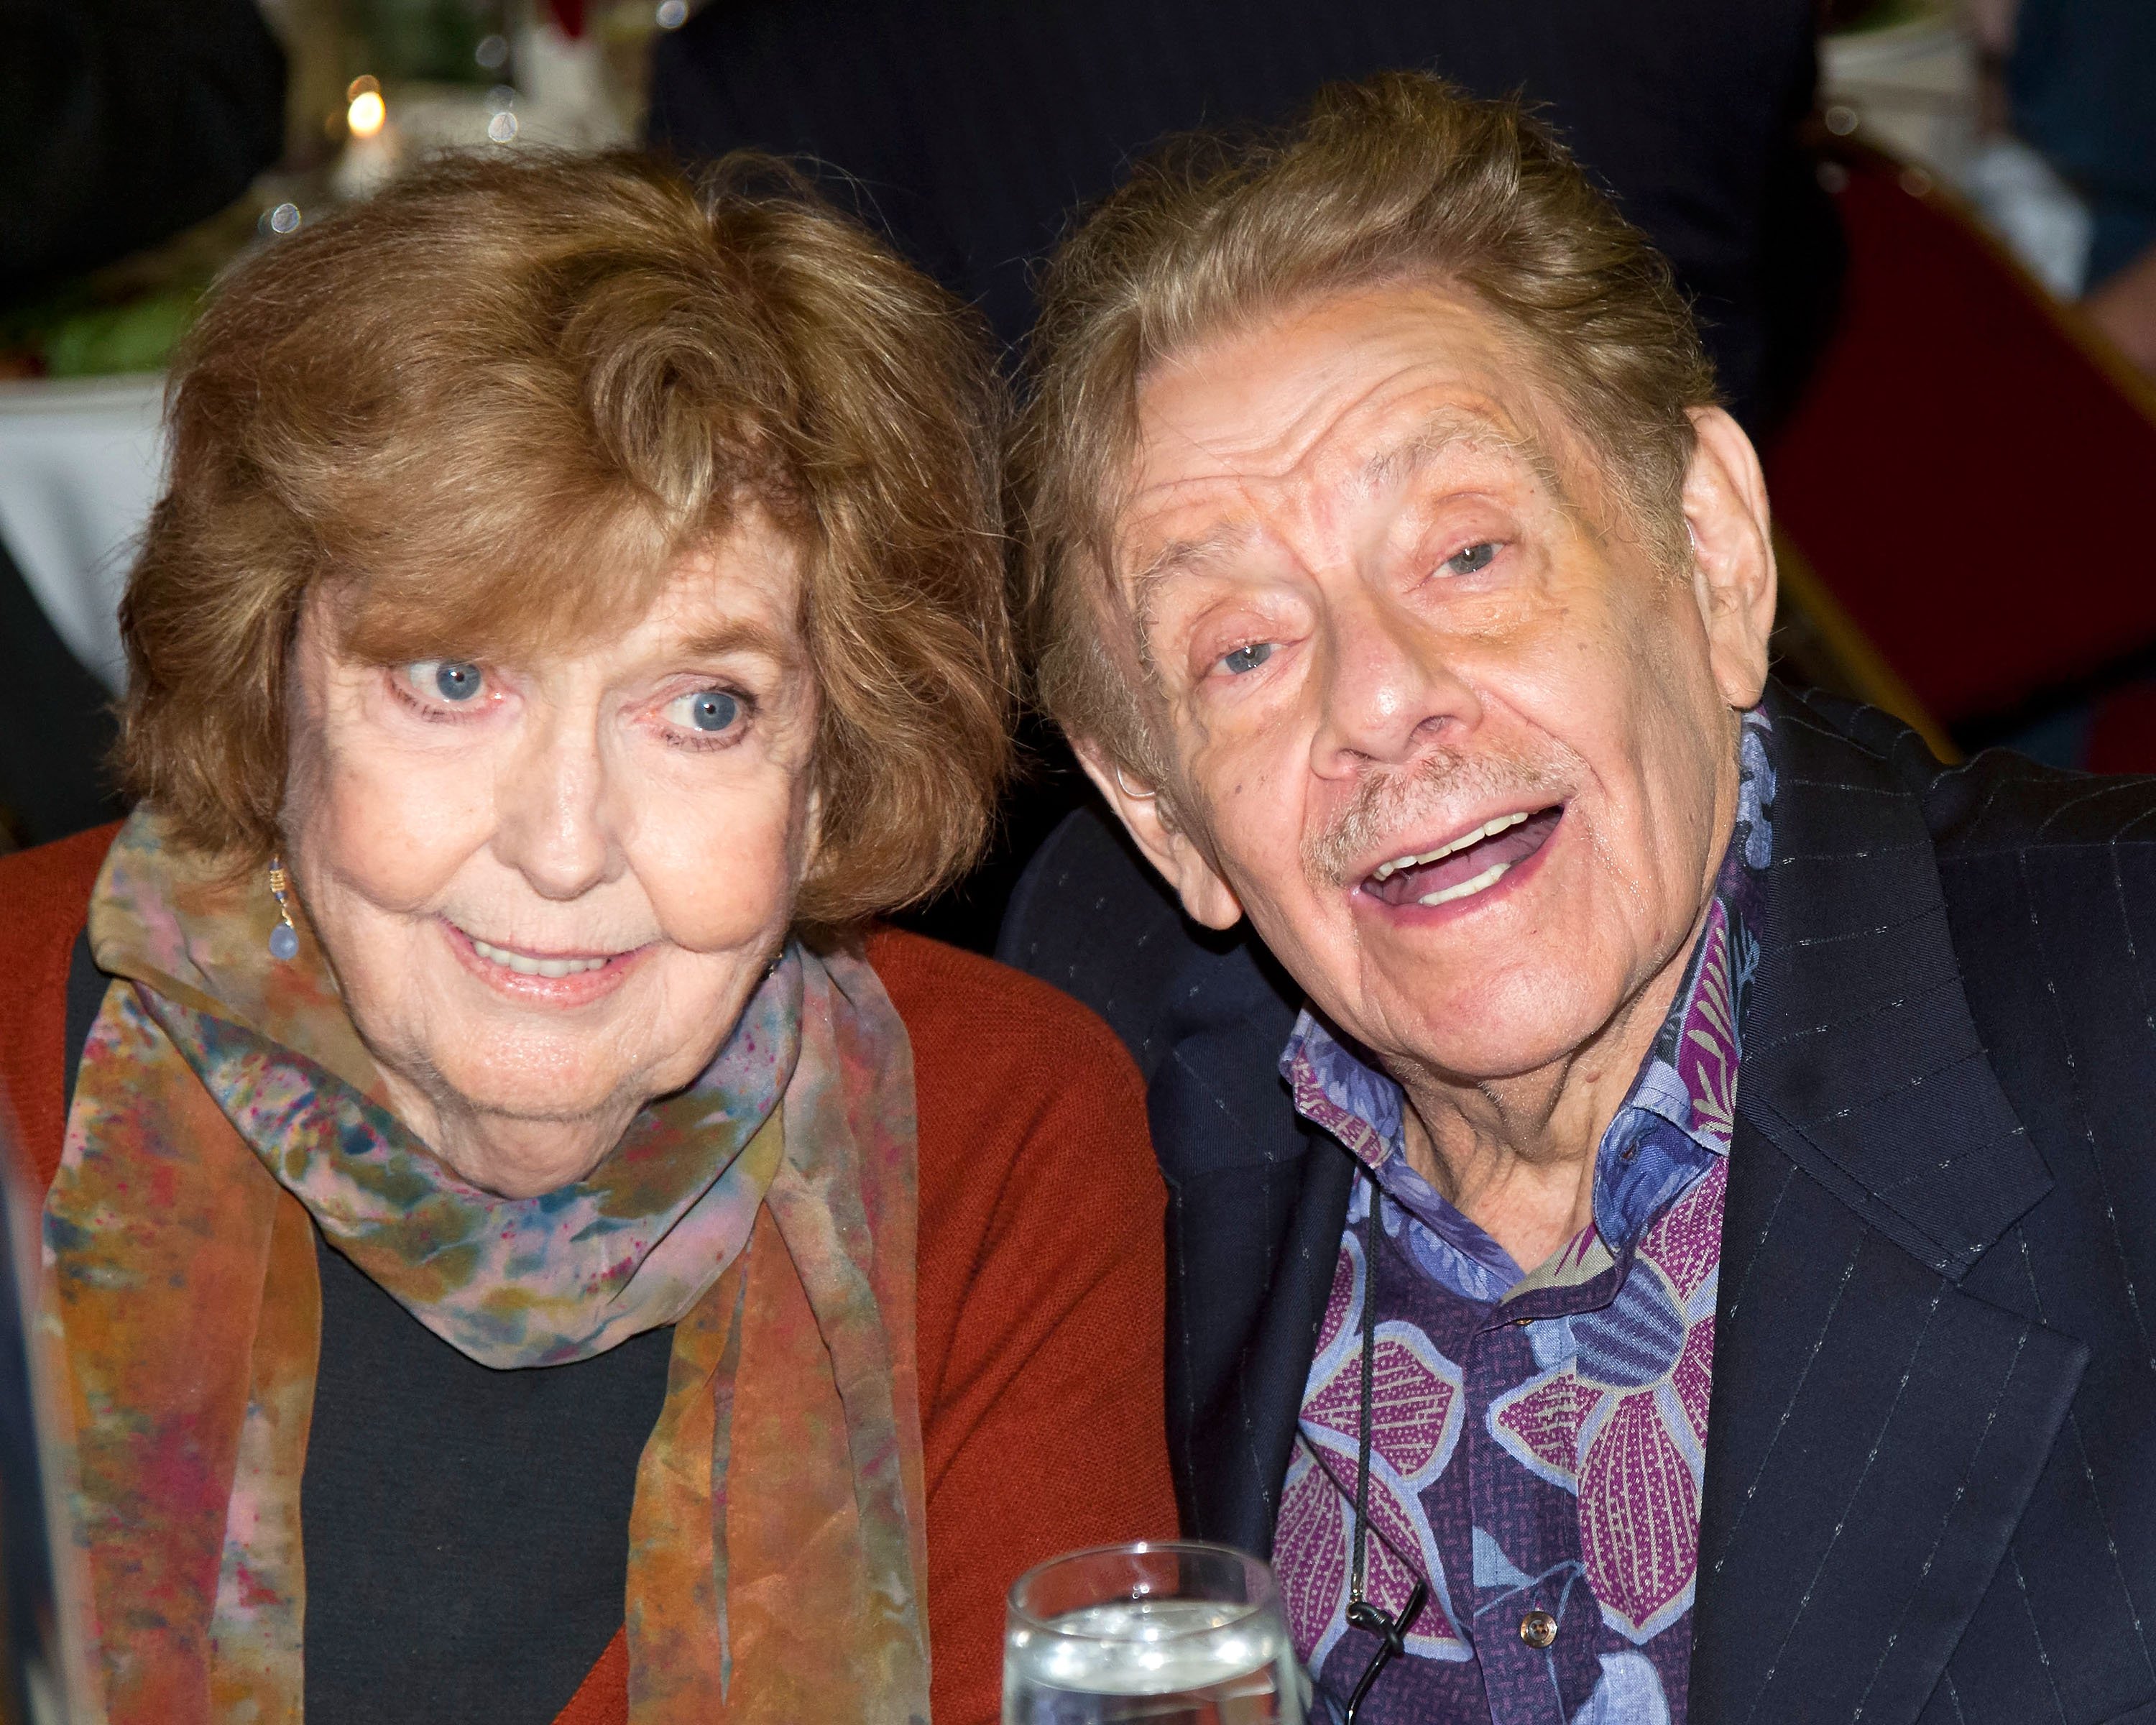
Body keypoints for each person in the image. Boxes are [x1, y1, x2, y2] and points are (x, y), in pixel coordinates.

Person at [1000, 73, 2156, 1724]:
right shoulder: (1101, 1083)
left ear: (1713, 555)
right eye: (1244, 652)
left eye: (1468, 555)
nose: (1380, 701)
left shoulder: (2123, 1013)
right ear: (1159, 815)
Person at [0, 150, 1175, 1725]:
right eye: (456, 681)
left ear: (832, 772)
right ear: (270, 678)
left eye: (704, 708)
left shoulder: (1001, 1140)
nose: (563, 848)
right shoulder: (11, 1062)